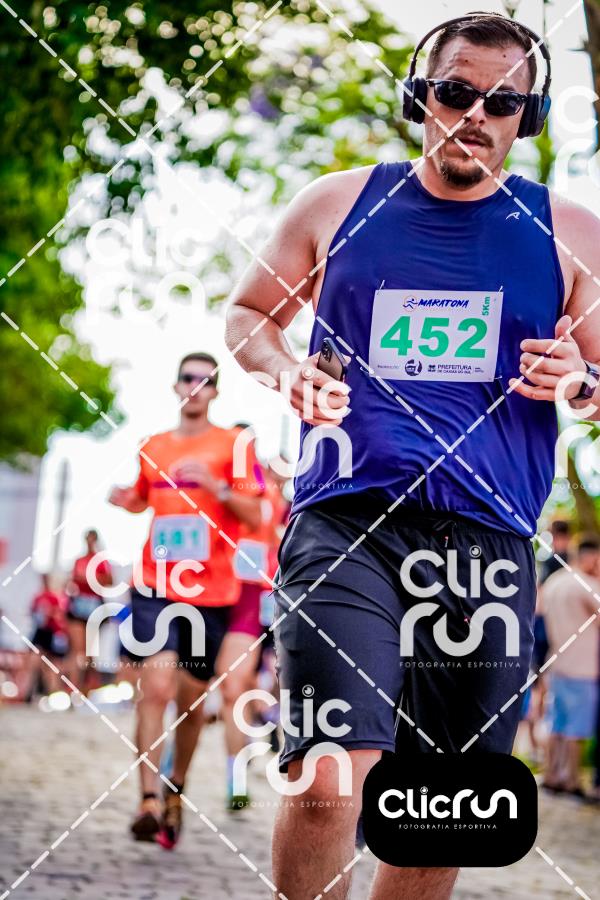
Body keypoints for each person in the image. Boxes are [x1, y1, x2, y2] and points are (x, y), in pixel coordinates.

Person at [225, 12, 600, 899]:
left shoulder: (571, 232)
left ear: (529, 117)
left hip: (490, 539)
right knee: (327, 778)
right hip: (347, 524)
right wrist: (285, 372)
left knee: (443, 810)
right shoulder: (335, 203)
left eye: (502, 102)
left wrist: (580, 379)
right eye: (456, 91)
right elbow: (249, 316)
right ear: (418, 96)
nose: (476, 115)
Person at [109, 352, 261, 848]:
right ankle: (148, 800)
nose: (195, 385)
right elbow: (141, 499)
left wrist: (217, 487)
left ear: (215, 391)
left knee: (191, 703)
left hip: (210, 591)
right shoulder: (152, 446)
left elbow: (256, 514)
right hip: (154, 582)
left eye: (206, 380)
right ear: (175, 386)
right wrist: (124, 500)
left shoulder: (234, 444)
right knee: (155, 687)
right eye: (187, 378)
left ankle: (176, 788)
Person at [215, 427, 288, 810]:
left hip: (256, 593)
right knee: (226, 687)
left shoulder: (265, 487)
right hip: (214, 591)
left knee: (240, 686)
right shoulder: (216, 480)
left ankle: (236, 777)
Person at [541, 536, 600, 798]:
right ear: (591, 557)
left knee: (557, 724)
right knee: (577, 728)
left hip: (557, 662)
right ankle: (572, 780)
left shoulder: (554, 582)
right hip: (582, 667)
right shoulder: (586, 585)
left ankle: (552, 775)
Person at [66, 529, 112, 692]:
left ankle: (87, 685)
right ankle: (74, 686)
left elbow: (108, 581)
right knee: (78, 649)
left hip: (94, 605)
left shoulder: (101, 561)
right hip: (79, 604)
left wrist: (89, 578)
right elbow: (73, 581)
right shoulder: (79, 560)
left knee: (90, 651)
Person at [29, 574, 69, 696]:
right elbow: (33, 613)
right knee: (37, 661)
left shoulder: (55, 597)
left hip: (53, 632)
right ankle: (35, 689)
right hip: (42, 631)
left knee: (54, 663)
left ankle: (53, 690)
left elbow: (60, 616)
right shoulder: (38, 597)